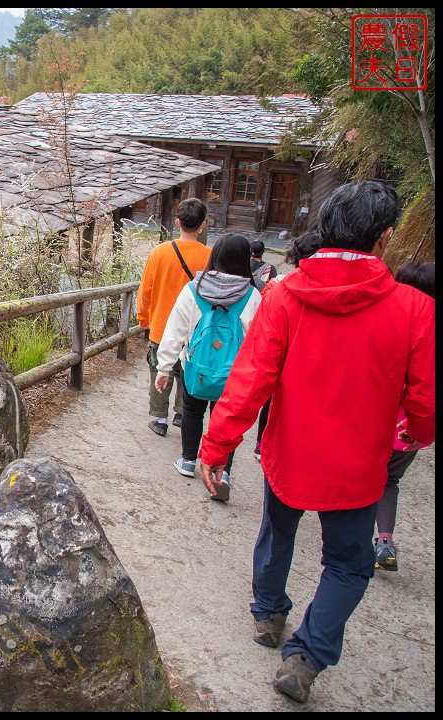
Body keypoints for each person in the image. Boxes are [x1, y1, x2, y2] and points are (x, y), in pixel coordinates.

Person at [197, 180, 435, 704]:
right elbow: (425, 400)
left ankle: (268, 614)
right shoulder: (415, 310)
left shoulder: (284, 297)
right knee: (349, 564)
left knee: (277, 531)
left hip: (290, 454)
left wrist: (216, 445)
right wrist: (417, 433)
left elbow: (251, 379)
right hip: (359, 467)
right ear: (385, 237)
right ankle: (308, 654)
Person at [154, 233, 261, 501]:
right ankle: (222, 473)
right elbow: (258, 339)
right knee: (226, 419)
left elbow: (175, 331)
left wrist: (164, 367)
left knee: (192, 410)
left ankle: (188, 461)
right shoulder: (252, 295)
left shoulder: (193, 289)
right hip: (234, 375)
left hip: (196, 369)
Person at [374, 261, 435, 571]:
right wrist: (422, 431)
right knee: (389, 482)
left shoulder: (390, 321)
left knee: (363, 480)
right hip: (409, 433)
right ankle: (384, 540)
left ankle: (353, 541)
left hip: (376, 421)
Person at [136, 197, 212, 437]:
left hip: (161, 325)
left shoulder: (159, 252)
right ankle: (182, 412)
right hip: (196, 329)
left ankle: (160, 418)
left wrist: (143, 318)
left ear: (177, 222)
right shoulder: (210, 256)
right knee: (187, 371)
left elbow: (145, 288)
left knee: (160, 370)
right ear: (203, 225)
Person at [253, 232, 323, 461]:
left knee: (272, 401)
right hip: (310, 358)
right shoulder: (331, 290)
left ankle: (261, 444)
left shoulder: (278, 284)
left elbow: (261, 315)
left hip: (279, 352)